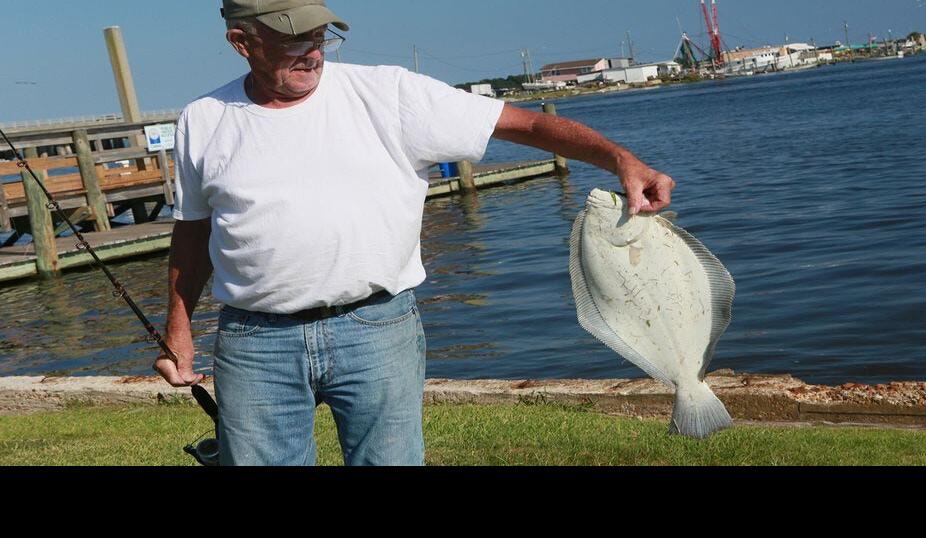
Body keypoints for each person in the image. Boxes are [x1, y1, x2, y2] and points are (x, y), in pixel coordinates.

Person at [155, 0, 676, 466]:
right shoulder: (203, 120)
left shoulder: (391, 93)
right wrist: (179, 328)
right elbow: (193, 233)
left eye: (319, 36)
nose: (313, 53)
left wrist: (621, 162)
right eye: (293, 38)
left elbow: (528, 126)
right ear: (240, 41)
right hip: (254, 342)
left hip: (376, 329)